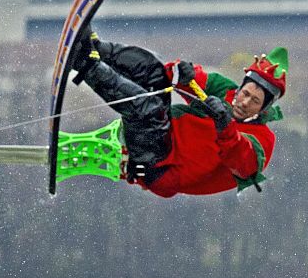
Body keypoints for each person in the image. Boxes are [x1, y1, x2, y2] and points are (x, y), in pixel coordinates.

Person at [72, 29, 288, 198]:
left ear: (264, 109)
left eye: (254, 101)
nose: (244, 102)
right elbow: (178, 76)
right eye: (245, 93)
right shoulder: (225, 90)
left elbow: (243, 164)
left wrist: (225, 126)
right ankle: (92, 49)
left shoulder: (263, 140)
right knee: (154, 70)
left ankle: (87, 66)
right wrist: (182, 72)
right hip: (162, 136)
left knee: (149, 109)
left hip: (160, 170)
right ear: (241, 87)